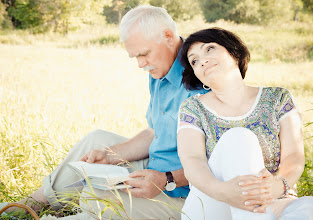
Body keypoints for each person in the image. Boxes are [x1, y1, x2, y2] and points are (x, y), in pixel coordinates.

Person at [0, 5, 208, 220]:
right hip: (154, 168)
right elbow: (154, 132)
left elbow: (217, 164)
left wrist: (165, 179)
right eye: (135, 57)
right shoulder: (161, 68)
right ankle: (32, 204)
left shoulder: (203, 74)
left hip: (184, 193)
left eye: (144, 54)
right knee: (96, 141)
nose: (140, 64)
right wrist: (110, 156)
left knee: (99, 198)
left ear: (168, 36)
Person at [177, 27, 313, 220]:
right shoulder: (192, 108)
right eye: (194, 61)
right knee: (238, 138)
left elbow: (294, 155)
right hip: (215, 203)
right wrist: (223, 191)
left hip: (276, 200)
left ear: (234, 53)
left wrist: (278, 184)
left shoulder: (277, 98)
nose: (203, 60)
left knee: (309, 207)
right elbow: (192, 161)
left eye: (210, 49)